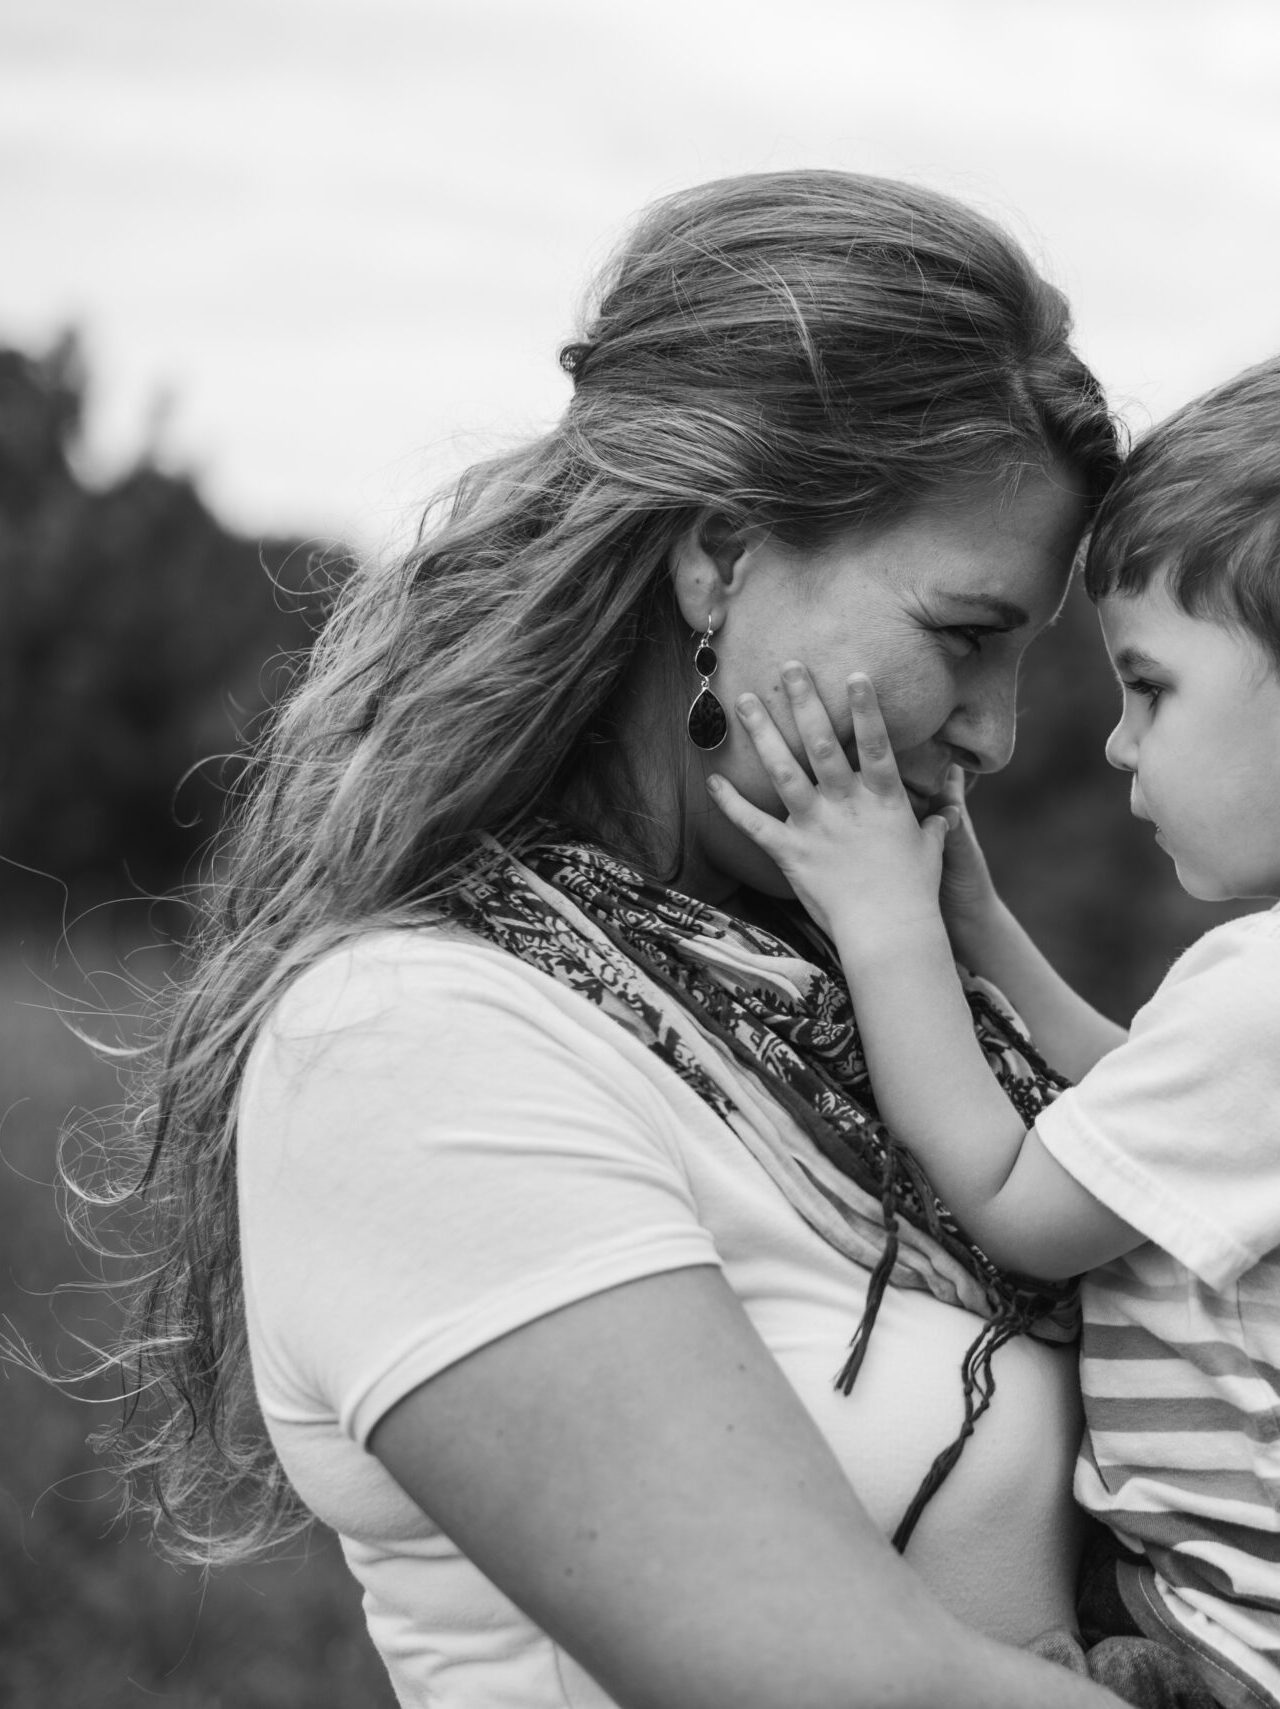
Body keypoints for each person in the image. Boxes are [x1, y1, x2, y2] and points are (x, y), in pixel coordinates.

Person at [88, 170, 1140, 1709]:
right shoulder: (417, 1044)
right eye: (964, 637)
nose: (997, 729)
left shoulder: (874, 986)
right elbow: (848, 1683)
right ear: (719, 554)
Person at [712, 339, 1280, 1709]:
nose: (1118, 741)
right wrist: (981, 935)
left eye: (1152, 686)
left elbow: (1024, 1199)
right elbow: (1153, 1116)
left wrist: (883, 925)